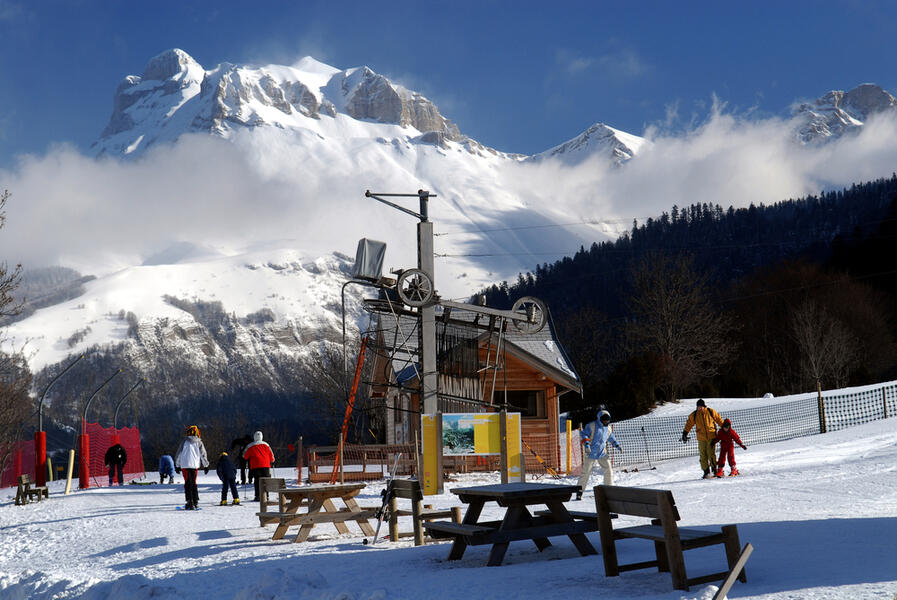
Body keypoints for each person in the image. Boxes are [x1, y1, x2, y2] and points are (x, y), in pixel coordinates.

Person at [576, 409, 622, 500]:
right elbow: (584, 434)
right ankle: (579, 492)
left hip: (602, 453)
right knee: (586, 473)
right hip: (590, 453)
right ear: (599, 418)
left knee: (608, 470)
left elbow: (610, 437)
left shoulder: (608, 428)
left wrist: (617, 445)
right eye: (604, 420)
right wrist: (587, 445)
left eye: (607, 420)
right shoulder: (592, 425)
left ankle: (609, 490)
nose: (606, 422)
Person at [681, 399, 725, 479]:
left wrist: (724, 428)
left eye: (701, 406)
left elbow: (719, 419)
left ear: (704, 406)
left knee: (711, 453)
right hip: (701, 438)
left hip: (712, 436)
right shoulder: (694, 415)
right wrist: (685, 433)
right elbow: (689, 424)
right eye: (698, 407)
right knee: (703, 455)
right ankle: (706, 472)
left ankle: (715, 470)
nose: (699, 408)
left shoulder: (711, 412)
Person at [175, 425, 209, 510]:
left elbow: (179, 454)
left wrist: (177, 465)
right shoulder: (199, 442)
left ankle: (189, 501)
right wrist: (206, 465)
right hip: (194, 465)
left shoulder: (184, 441)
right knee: (193, 482)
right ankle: (195, 501)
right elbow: (203, 454)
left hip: (185, 465)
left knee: (187, 483)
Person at [243, 430, 275, 502]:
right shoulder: (266, 445)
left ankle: (258, 496)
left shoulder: (250, 446)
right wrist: (272, 460)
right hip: (266, 465)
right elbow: (272, 456)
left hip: (255, 466)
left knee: (257, 481)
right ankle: (266, 495)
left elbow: (245, 456)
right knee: (266, 481)